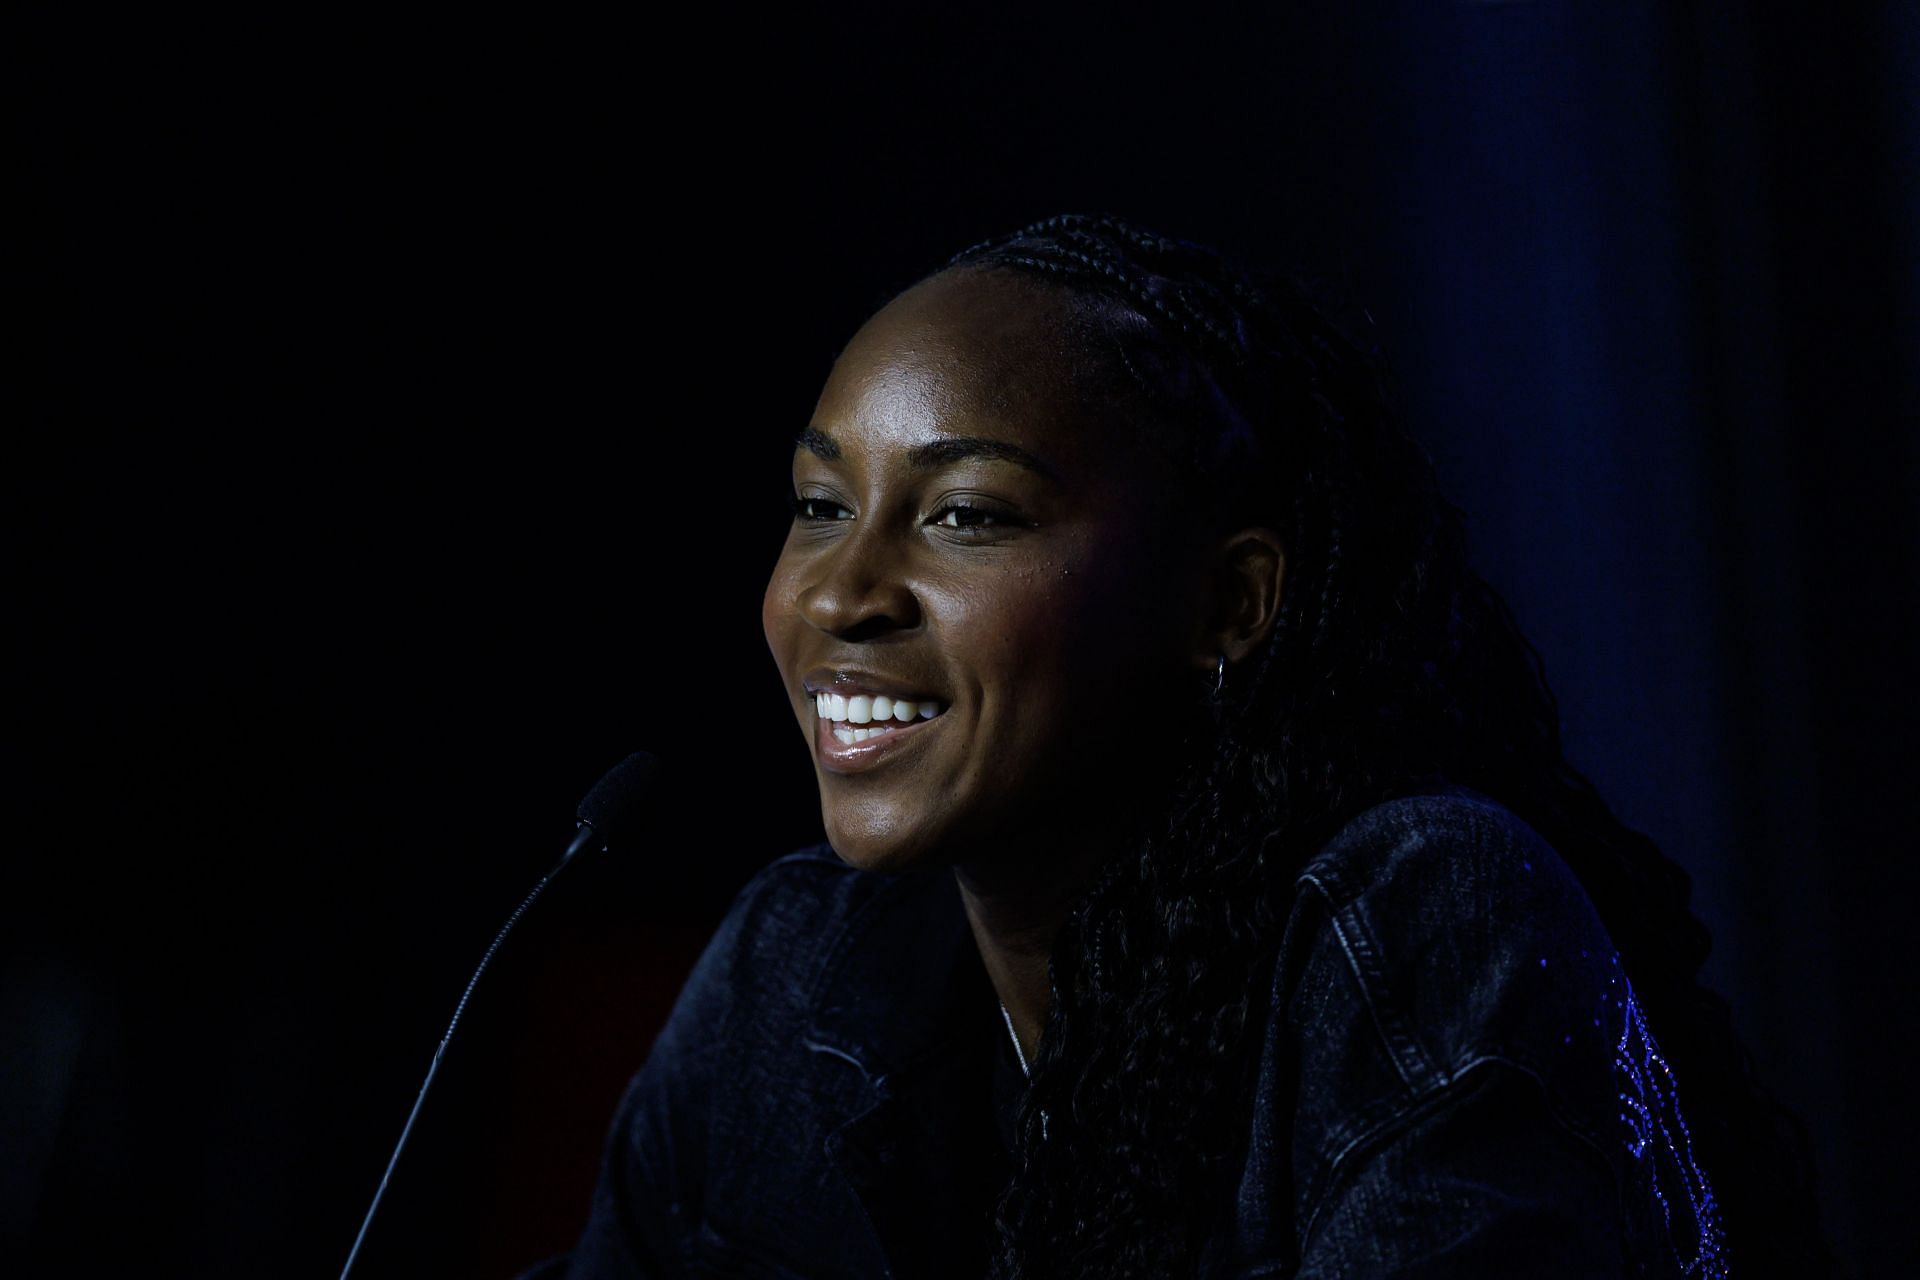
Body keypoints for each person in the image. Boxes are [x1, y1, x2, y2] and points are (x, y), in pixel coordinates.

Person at [522, 214, 1826, 1278]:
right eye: (820, 506)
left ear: (1230, 607)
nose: (839, 594)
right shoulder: (798, 973)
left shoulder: (1417, 925)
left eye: (967, 516)